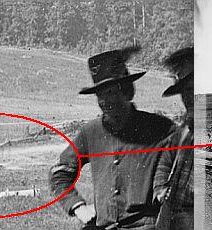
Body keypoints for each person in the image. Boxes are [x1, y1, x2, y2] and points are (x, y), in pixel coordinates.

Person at [49, 46, 175, 230]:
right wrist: (78, 206)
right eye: (100, 94)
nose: (105, 101)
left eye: (111, 92)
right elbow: (60, 173)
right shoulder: (90, 132)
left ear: (127, 91)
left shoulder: (160, 128)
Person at [153, 47, 194, 230]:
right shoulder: (184, 131)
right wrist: (160, 188)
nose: (188, 97)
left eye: (192, 88)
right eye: (184, 91)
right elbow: (165, 160)